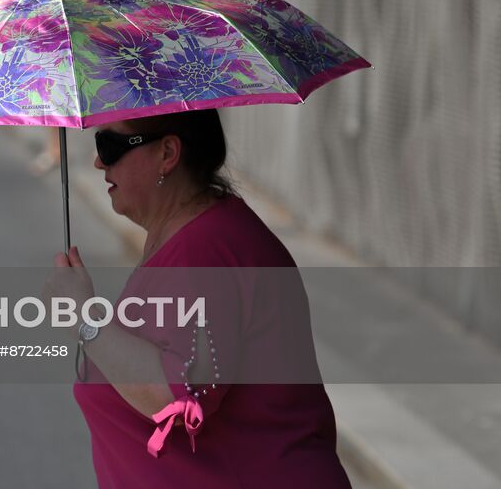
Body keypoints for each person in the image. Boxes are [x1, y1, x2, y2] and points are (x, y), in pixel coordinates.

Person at [43, 109, 349, 488]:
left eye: (110, 144)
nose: (98, 160)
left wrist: (85, 319)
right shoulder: (192, 235)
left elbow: (180, 397)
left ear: (168, 153)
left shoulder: (206, 249)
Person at [34, 0, 110, 172]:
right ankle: (55, 151)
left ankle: (101, 147)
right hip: (67, 44)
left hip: (91, 42)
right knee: (54, 95)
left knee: (96, 98)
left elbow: (100, 1)